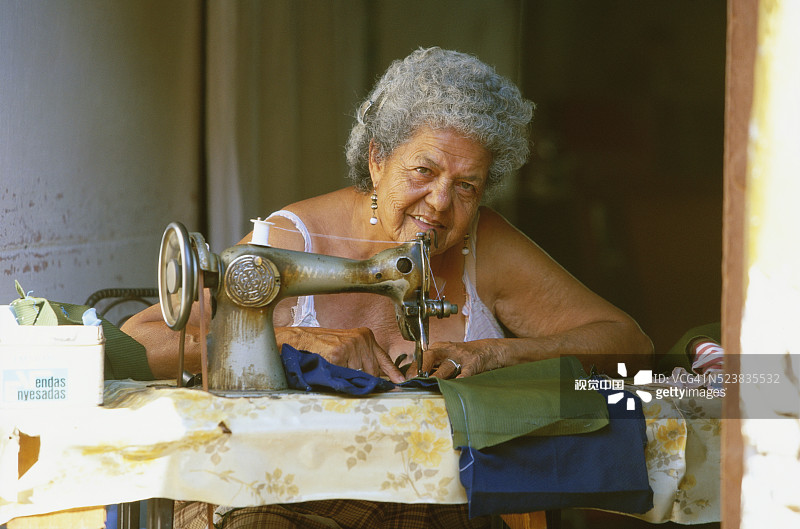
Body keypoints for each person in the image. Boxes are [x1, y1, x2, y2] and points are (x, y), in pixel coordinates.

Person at [123, 47, 653, 528]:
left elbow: (626, 341)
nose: (441, 203)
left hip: (436, 500)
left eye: (466, 186)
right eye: (423, 171)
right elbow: (140, 341)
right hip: (277, 494)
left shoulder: (484, 245)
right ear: (377, 160)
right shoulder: (290, 239)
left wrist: (498, 354)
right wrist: (291, 342)